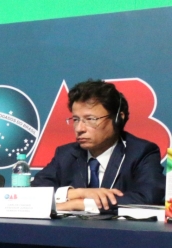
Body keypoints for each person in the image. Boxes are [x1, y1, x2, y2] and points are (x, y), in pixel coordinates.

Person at [32, 79, 164, 211]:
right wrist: (77, 193)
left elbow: (148, 197)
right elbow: (35, 191)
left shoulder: (141, 152)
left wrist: (81, 204)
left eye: (90, 119)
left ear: (118, 119)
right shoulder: (66, 154)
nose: (79, 128)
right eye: (76, 119)